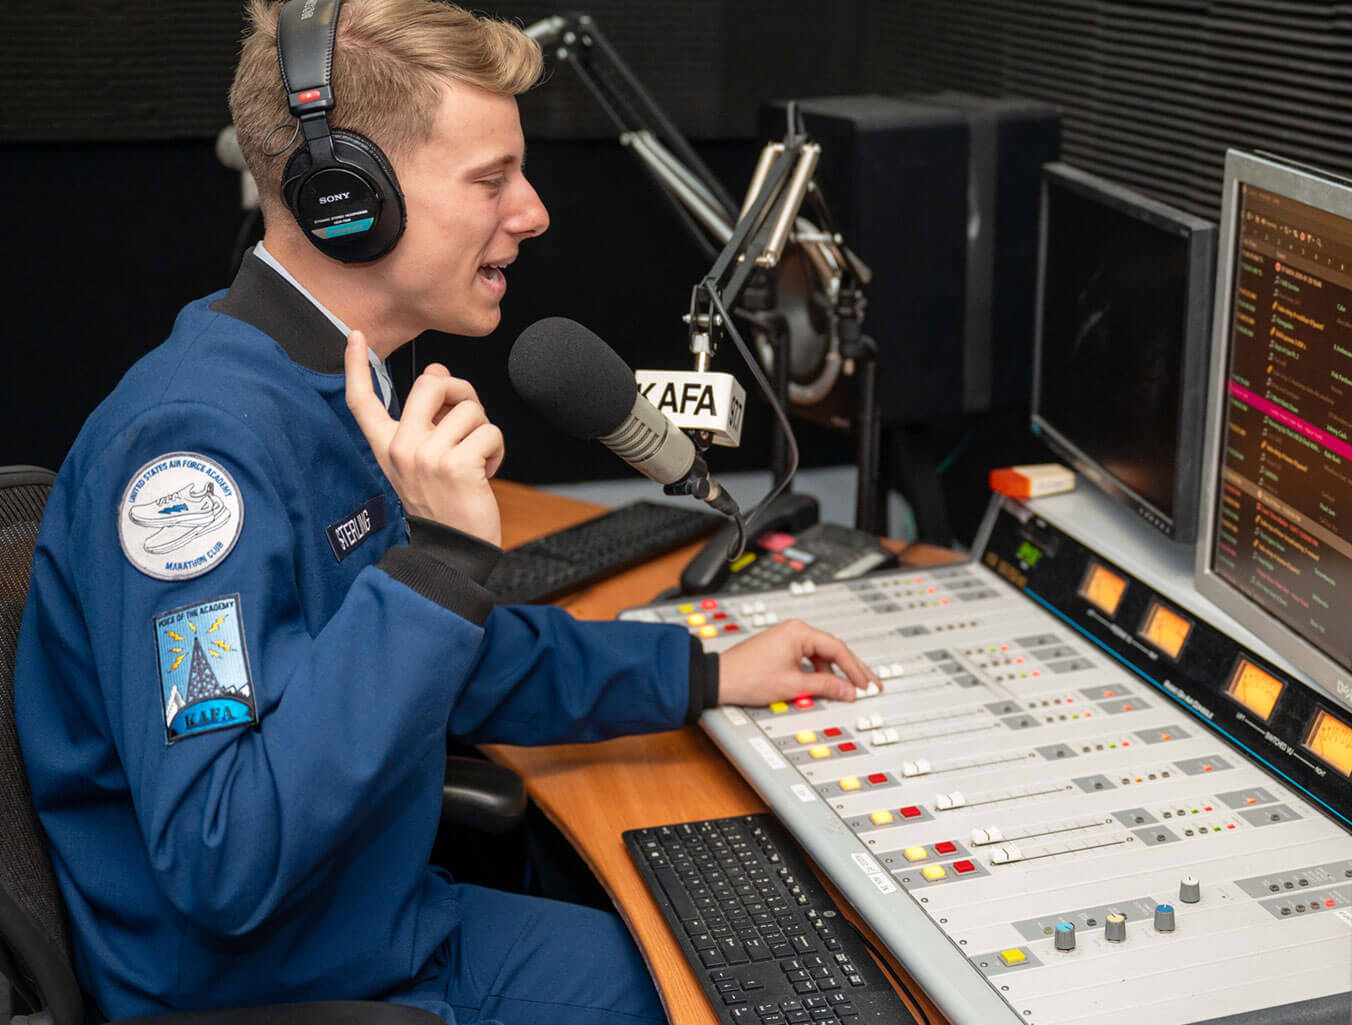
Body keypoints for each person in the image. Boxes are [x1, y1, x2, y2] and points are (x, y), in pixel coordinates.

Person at [13, 2, 877, 1023]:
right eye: (489, 179)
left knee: (759, 977)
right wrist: (435, 564)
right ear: (348, 199)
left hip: (386, 927)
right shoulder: (193, 460)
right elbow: (223, 853)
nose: (534, 212)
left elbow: (456, 656)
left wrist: (709, 671)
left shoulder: (339, 387)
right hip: (282, 989)